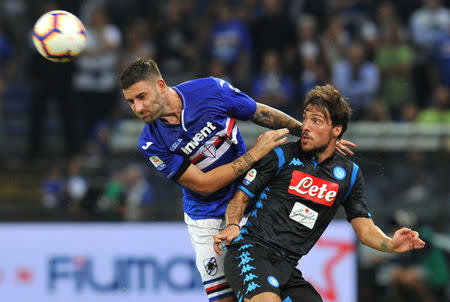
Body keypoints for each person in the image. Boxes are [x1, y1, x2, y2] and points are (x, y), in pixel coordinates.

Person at [119, 59, 355, 302]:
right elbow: (205, 184)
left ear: (160, 85)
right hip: (206, 218)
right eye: (131, 101)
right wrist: (255, 153)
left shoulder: (210, 91)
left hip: (248, 199)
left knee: (267, 287)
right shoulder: (151, 143)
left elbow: (260, 113)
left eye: (141, 96)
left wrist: (313, 136)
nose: (137, 108)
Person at [213, 84, 425, 302]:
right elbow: (239, 199)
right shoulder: (281, 155)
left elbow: (364, 228)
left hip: (287, 267)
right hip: (251, 252)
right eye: (305, 119)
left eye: (316, 121)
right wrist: (232, 225)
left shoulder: (350, 176)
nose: (305, 126)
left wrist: (389, 244)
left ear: (337, 130)